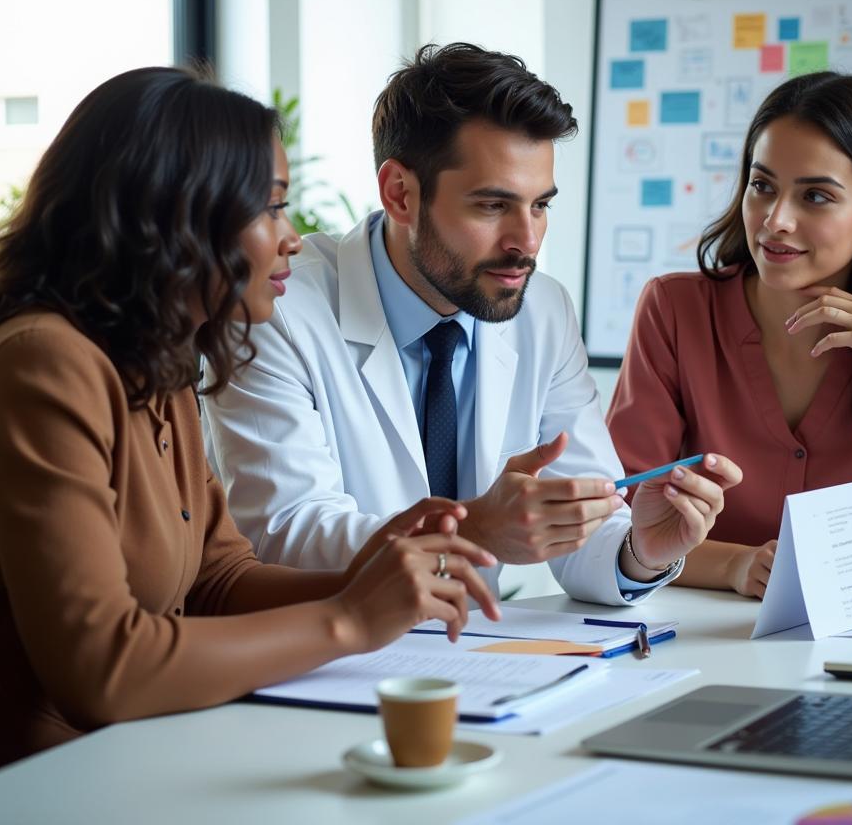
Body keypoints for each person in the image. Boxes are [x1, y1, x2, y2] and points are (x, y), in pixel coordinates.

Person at [0, 66, 501, 772]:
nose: (292, 237)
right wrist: (348, 619)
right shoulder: (45, 362)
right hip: (41, 779)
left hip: (134, 755)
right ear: (171, 214)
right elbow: (103, 667)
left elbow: (218, 580)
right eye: (271, 208)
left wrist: (383, 572)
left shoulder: (156, 360)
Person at [202, 43, 739, 606]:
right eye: (492, 206)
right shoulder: (276, 310)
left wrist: (641, 549)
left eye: (540, 206)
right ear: (400, 194)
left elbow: (583, 519)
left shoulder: (543, 310)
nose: (526, 242)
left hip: (479, 658)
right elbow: (283, 533)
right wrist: (473, 530)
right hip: (327, 660)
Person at [607, 71, 852, 598]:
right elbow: (620, 518)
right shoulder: (675, 310)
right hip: (702, 633)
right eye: (762, 186)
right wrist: (734, 566)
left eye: (815, 196)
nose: (776, 221)